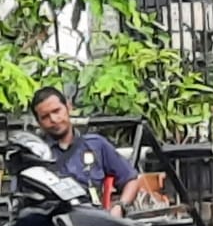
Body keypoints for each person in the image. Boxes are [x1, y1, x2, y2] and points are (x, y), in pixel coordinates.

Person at [30, 86, 140, 217]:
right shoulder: (34, 154)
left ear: (68, 107)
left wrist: (120, 207)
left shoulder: (96, 145)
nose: (53, 119)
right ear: (39, 122)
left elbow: (131, 179)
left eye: (56, 111)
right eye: (45, 117)